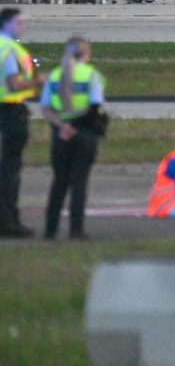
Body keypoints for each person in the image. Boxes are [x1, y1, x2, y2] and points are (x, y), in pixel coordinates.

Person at [40, 38, 105, 240]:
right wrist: (75, 126)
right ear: (85, 53)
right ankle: (76, 230)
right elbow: (95, 107)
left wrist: (63, 126)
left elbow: (45, 108)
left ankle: (50, 230)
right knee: (79, 183)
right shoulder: (90, 75)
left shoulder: (54, 76)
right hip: (84, 133)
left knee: (59, 182)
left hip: (61, 135)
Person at [0, 8, 47, 238]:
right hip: (9, 109)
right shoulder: (8, 49)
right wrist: (37, 81)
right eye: (18, 22)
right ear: (7, 24)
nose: (22, 26)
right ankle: (8, 221)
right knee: (10, 168)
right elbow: (13, 84)